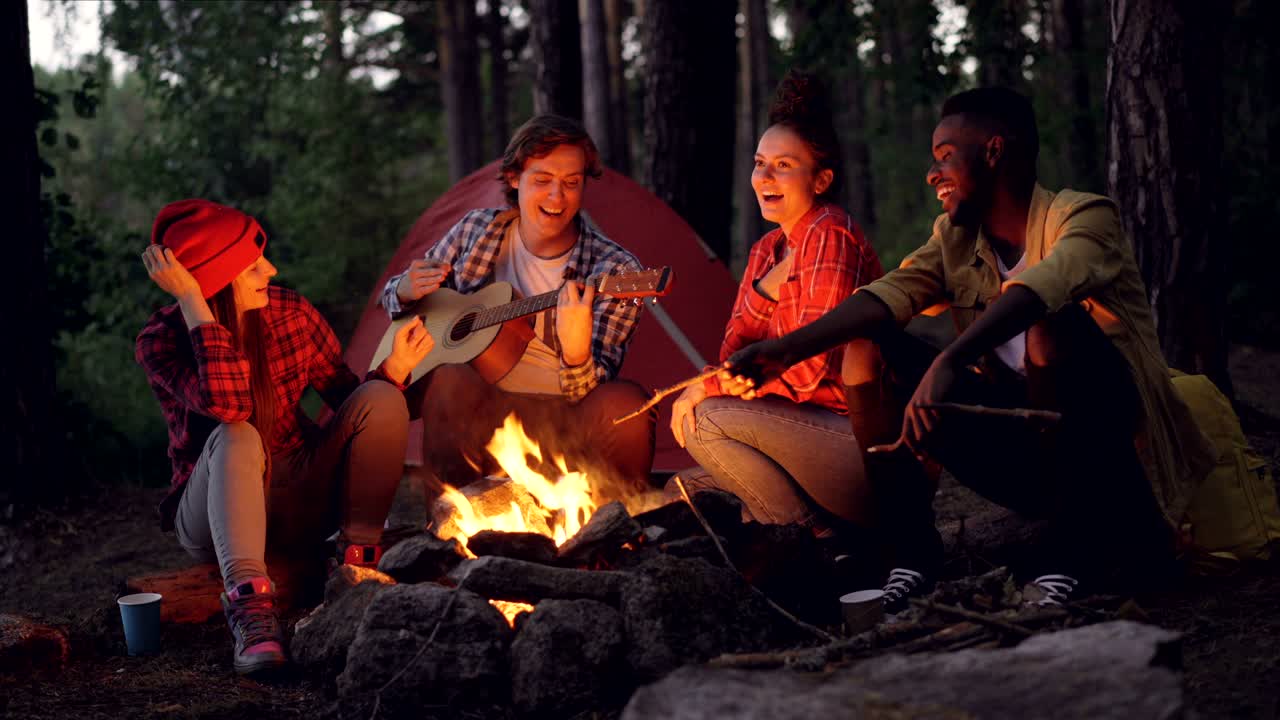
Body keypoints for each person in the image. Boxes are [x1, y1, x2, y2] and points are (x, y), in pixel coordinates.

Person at [723, 87, 1215, 610]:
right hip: (1018, 451)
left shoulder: (1086, 217)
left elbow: (1043, 289)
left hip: (1107, 456)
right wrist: (786, 349)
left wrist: (950, 358)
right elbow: (890, 293)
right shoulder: (955, 239)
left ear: (995, 152)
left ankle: (1071, 551)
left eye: (944, 158)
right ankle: (909, 551)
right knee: (866, 344)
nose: (933, 174)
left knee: (1051, 327)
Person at [136, 199, 432, 677]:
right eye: (253, 266)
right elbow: (230, 405)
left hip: (298, 493)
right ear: (217, 281)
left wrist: (393, 371)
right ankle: (251, 610)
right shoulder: (161, 340)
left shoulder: (289, 311)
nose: (270, 270)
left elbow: (351, 401)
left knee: (381, 397)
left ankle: (357, 568)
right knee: (237, 435)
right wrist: (195, 305)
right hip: (215, 516)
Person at [380, 114, 655, 500]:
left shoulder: (618, 271)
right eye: (543, 180)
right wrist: (404, 290)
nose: (557, 198)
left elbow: (593, 393)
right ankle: (447, 535)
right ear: (514, 178)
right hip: (481, 417)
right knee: (449, 380)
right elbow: (398, 302)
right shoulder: (475, 230)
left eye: (571, 183)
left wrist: (576, 355)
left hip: (563, 417)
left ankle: (615, 535)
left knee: (627, 405)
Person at [668, 71, 884, 539]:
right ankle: (787, 530)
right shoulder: (768, 249)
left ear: (821, 179)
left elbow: (805, 375)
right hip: (798, 436)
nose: (764, 176)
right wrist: (766, 288)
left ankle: (809, 544)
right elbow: (734, 349)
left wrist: (704, 390)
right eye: (760, 162)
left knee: (704, 423)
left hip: (859, 442)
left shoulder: (831, 234)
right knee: (680, 493)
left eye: (783, 165)